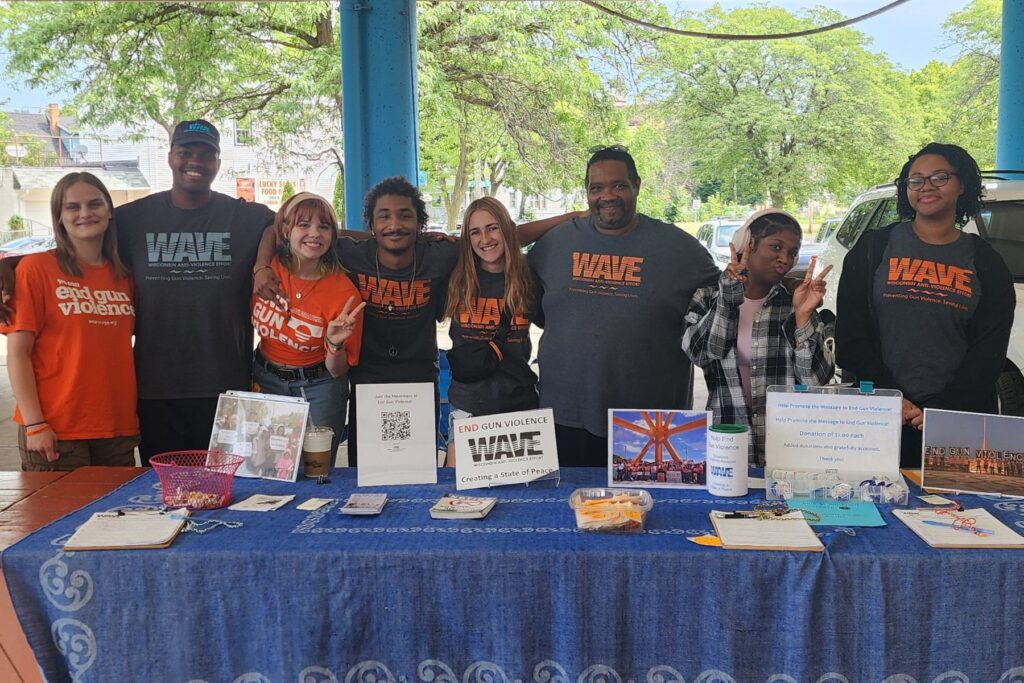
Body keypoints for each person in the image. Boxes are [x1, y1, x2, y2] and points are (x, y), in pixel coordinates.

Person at [254, 176, 576, 464]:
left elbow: (506, 235)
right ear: (371, 224)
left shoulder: (440, 255)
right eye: (384, 217)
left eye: (405, 215)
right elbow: (275, 228)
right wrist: (261, 267)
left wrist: (573, 216)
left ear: (419, 222)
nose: (395, 225)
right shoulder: (351, 253)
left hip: (419, 379)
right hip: (369, 379)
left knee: (415, 470)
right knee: (369, 471)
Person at [527, 145, 720, 467]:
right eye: (596, 187)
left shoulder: (682, 250)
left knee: (652, 511)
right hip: (565, 414)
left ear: (637, 186)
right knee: (567, 511)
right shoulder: (554, 243)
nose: (608, 196)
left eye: (619, 185)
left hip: (651, 421)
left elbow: (725, 307)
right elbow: (531, 303)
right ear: (586, 192)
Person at [836, 142, 1014, 467]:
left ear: (962, 185)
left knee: (952, 515)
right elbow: (850, 337)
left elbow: (989, 353)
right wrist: (894, 397)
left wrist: (939, 411)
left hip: (956, 423)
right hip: (877, 417)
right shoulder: (873, 248)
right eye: (915, 180)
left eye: (939, 177)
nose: (926, 187)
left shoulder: (987, 262)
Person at [1, 172, 139, 470]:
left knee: (121, 516)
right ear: (59, 217)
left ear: (109, 212)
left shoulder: (124, 275)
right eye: (72, 207)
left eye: (94, 204)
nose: (85, 214)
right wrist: (35, 423)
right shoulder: (36, 269)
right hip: (56, 429)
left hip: (116, 426)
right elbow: (18, 353)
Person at [682, 209, 835, 465]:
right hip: (728, 441)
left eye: (793, 252)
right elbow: (702, 353)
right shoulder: (707, 298)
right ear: (749, 245)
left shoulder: (794, 303)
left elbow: (815, 380)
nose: (785, 258)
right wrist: (728, 298)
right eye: (776, 246)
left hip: (789, 446)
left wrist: (803, 315)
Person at [251, 192, 365, 459]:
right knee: (266, 466)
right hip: (265, 380)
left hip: (320, 386)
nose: (314, 234)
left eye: (323, 227)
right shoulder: (267, 272)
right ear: (286, 230)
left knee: (317, 471)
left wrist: (335, 344)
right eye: (304, 225)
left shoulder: (343, 293)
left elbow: (337, 370)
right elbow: (269, 227)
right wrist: (260, 266)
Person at [443, 197, 539, 463]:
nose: (485, 238)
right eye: (475, 232)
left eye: (493, 228)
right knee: (459, 494)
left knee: (520, 496)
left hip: (519, 402)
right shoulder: (455, 278)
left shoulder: (530, 278)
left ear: (508, 229)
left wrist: (571, 217)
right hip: (469, 403)